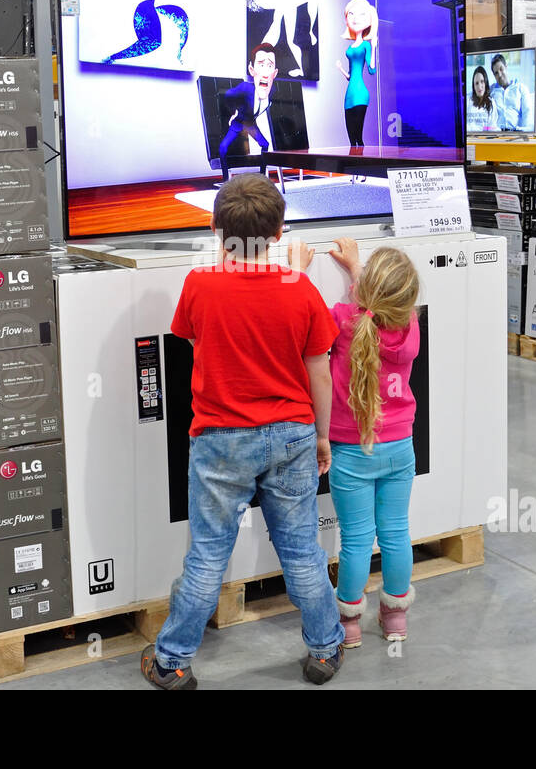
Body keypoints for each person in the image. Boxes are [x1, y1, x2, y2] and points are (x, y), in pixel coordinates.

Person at [140, 174, 346, 689]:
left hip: (220, 438)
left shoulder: (199, 284)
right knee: (301, 549)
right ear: (279, 232)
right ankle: (324, 650)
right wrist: (322, 436)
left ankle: (172, 661)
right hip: (293, 433)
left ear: (215, 228)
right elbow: (319, 370)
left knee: (208, 552)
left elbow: (192, 338)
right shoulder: (300, 290)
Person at [288, 237, 421, 647]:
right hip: (400, 448)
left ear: (363, 293)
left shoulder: (343, 320)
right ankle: (395, 619)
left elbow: (305, 313)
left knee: (357, 540)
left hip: (350, 452)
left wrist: (298, 271)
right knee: (396, 533)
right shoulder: (410, 327)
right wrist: (360, 270)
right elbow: (384, 303)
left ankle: (348, 623)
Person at [218, 44, 280, 181]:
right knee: (223, 147)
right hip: (239, 122)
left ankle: (263, 176)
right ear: (252, 70)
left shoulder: (273, 92)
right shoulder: (245, 88)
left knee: (265, 144)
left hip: (251, 124)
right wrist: (232, 111)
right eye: (261, 65)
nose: (265, 72)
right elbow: (228, 94)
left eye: (269, 66)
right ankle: (225, 180)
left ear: (274, 73)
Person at [340, 0, 378, 149]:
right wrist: (340, 69)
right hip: (349, 95)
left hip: (361, 94)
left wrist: (374, 47)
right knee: (351, 137)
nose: (355, 18)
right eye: (351, 14)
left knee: (358, 136)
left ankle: (362, 169)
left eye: (361, 15)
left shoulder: (366, 46)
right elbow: (350, 76)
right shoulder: (350, 48)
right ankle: (354, 167)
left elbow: (372, 70)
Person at [489, 53, 532, 132]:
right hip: (496, 134)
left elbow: (527, 113)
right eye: (496, 73)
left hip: (516, 134)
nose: (500, 75)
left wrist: (523, 133)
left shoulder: (520, 88)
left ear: (506, 67)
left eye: (501, 69)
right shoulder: (491, 90)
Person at [467, 66, 498, 133]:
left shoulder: (491, 102)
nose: (479, 86)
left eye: (482, 81)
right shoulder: (468, 101)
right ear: (474, 86)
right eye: (476, 83)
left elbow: (492, 127)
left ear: (486, 83)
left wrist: (483, 129)